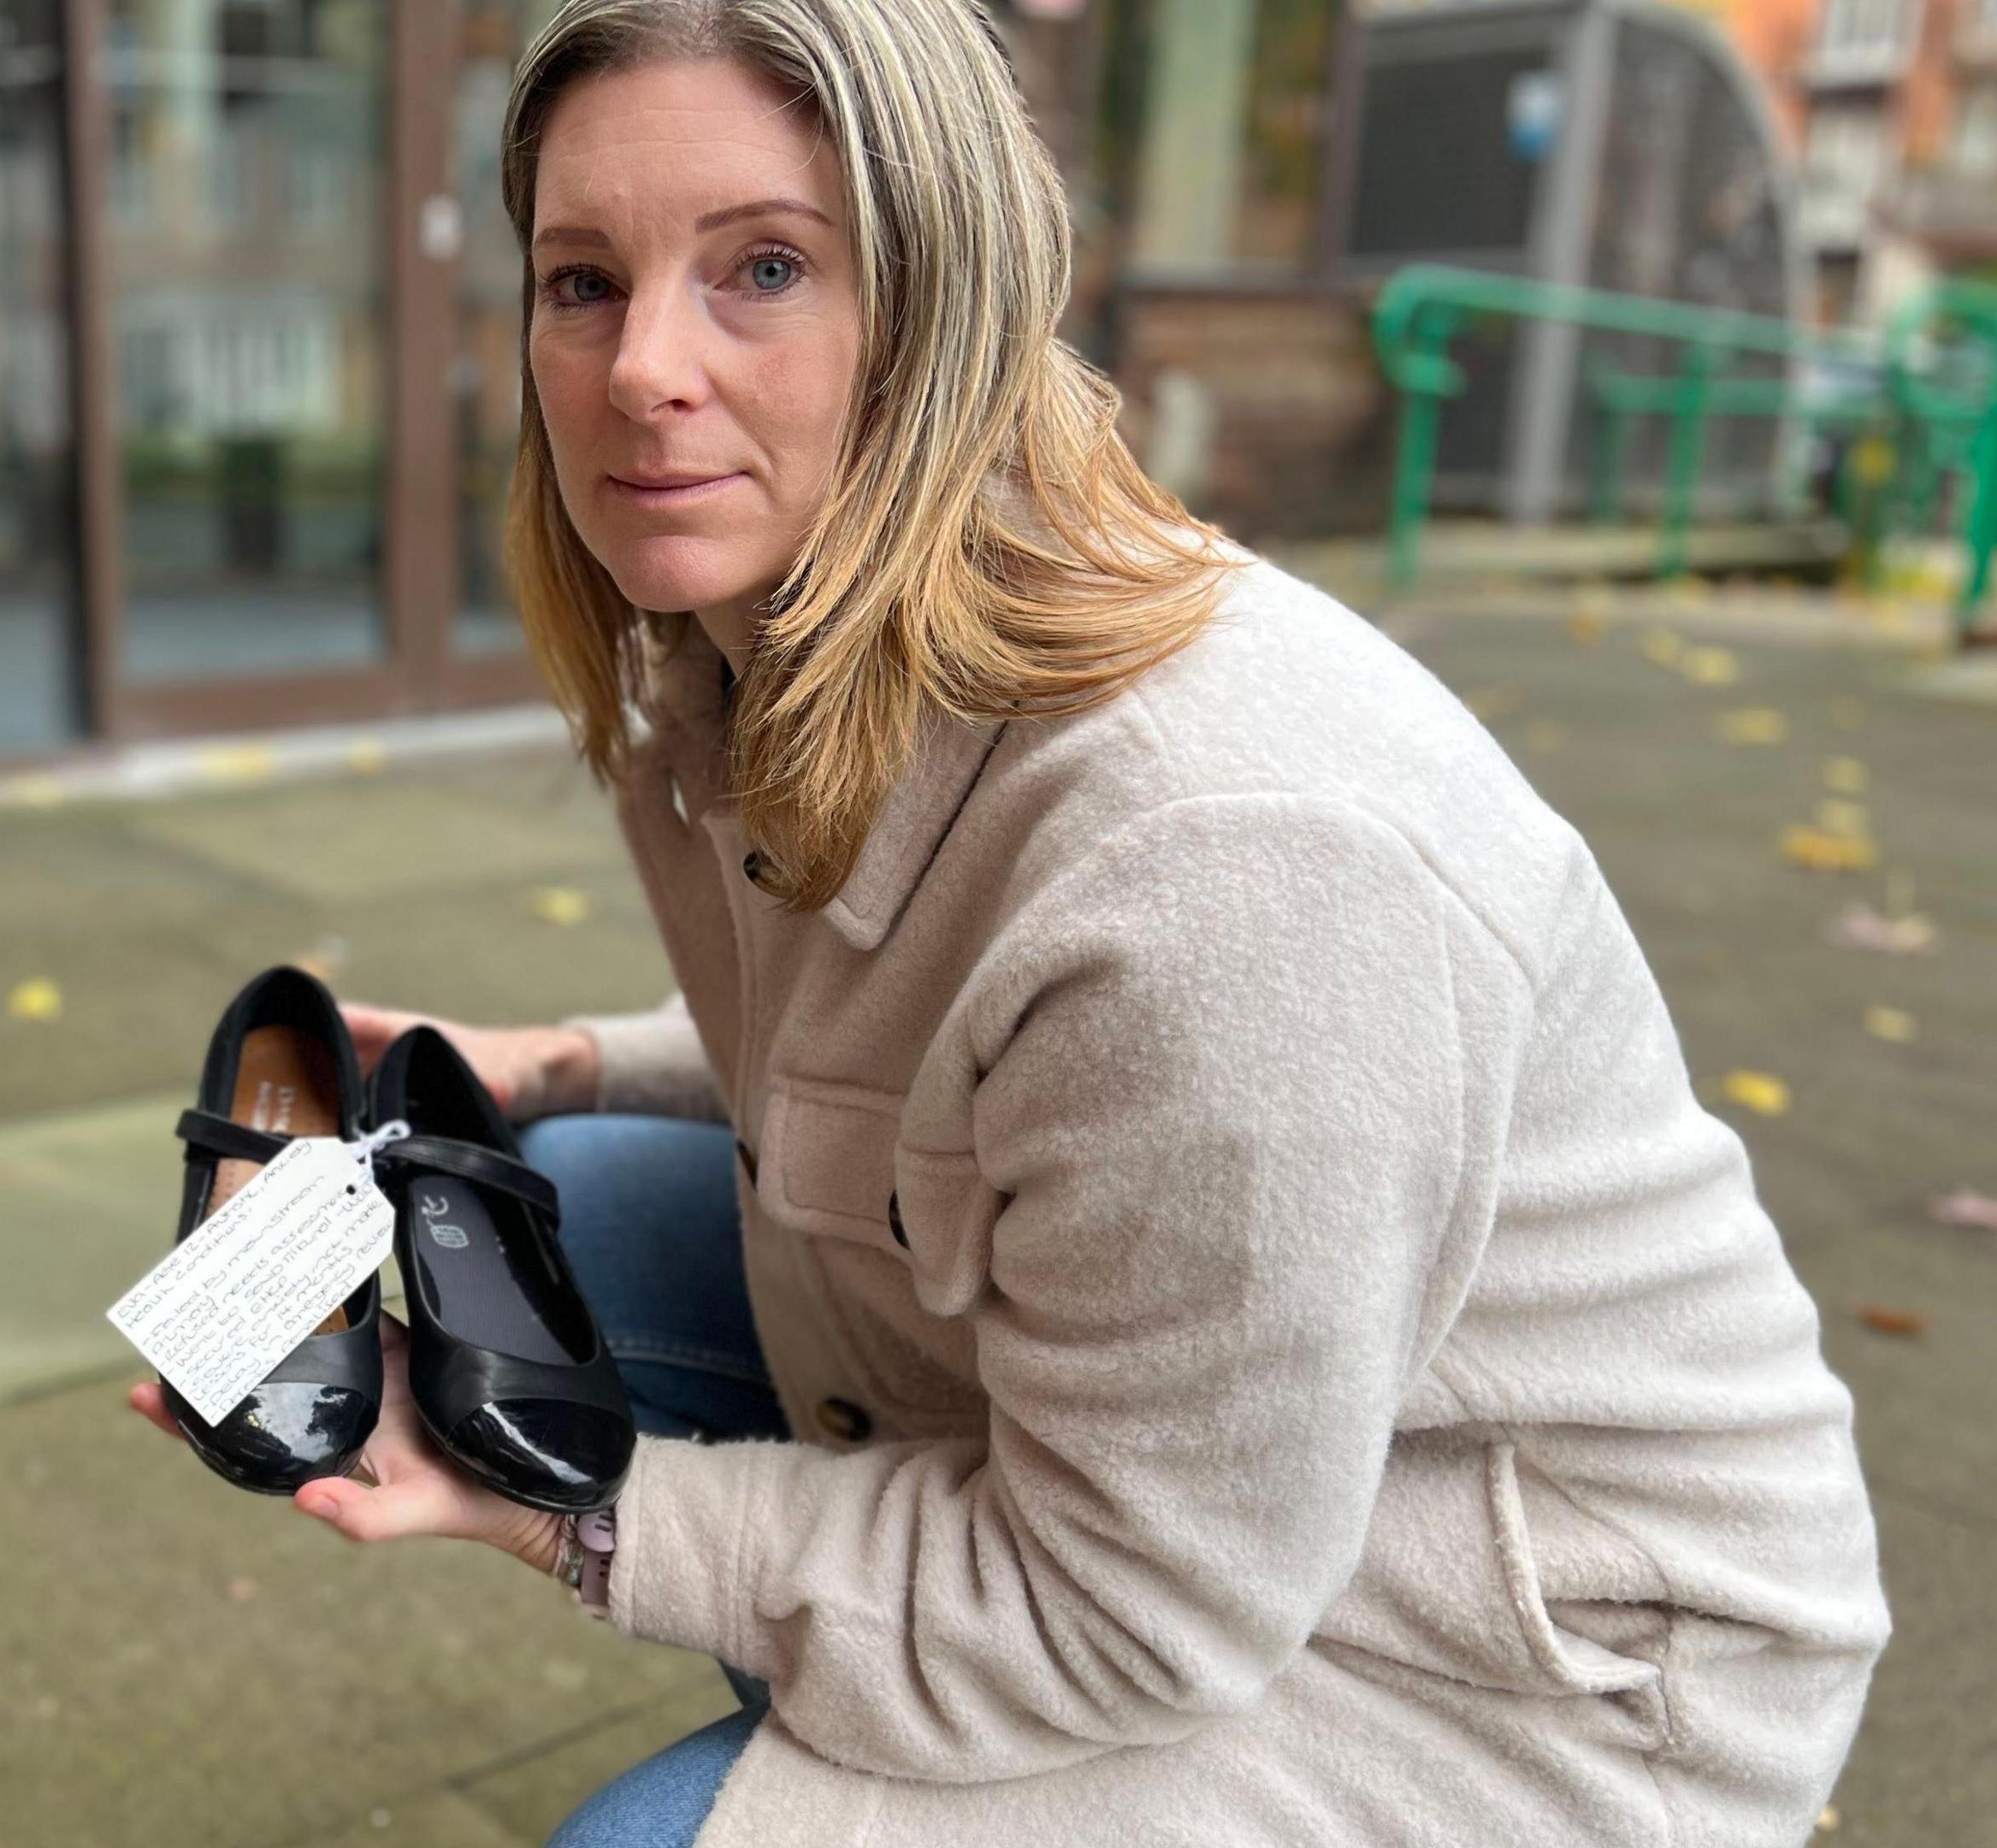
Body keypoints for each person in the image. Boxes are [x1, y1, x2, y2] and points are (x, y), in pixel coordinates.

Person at [133, 0, 1888, 1840]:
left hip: (1537, 1670)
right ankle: (886, 1669)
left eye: (765, 266)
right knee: (574, 1170)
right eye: (583, 279)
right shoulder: (751, 669)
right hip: (1236, 1491)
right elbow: (938, 1076)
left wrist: (557, 1516)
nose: (644, 363)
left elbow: (1125, 1608)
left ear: (943, 306)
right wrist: (561, 1055)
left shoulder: (1228, 876)